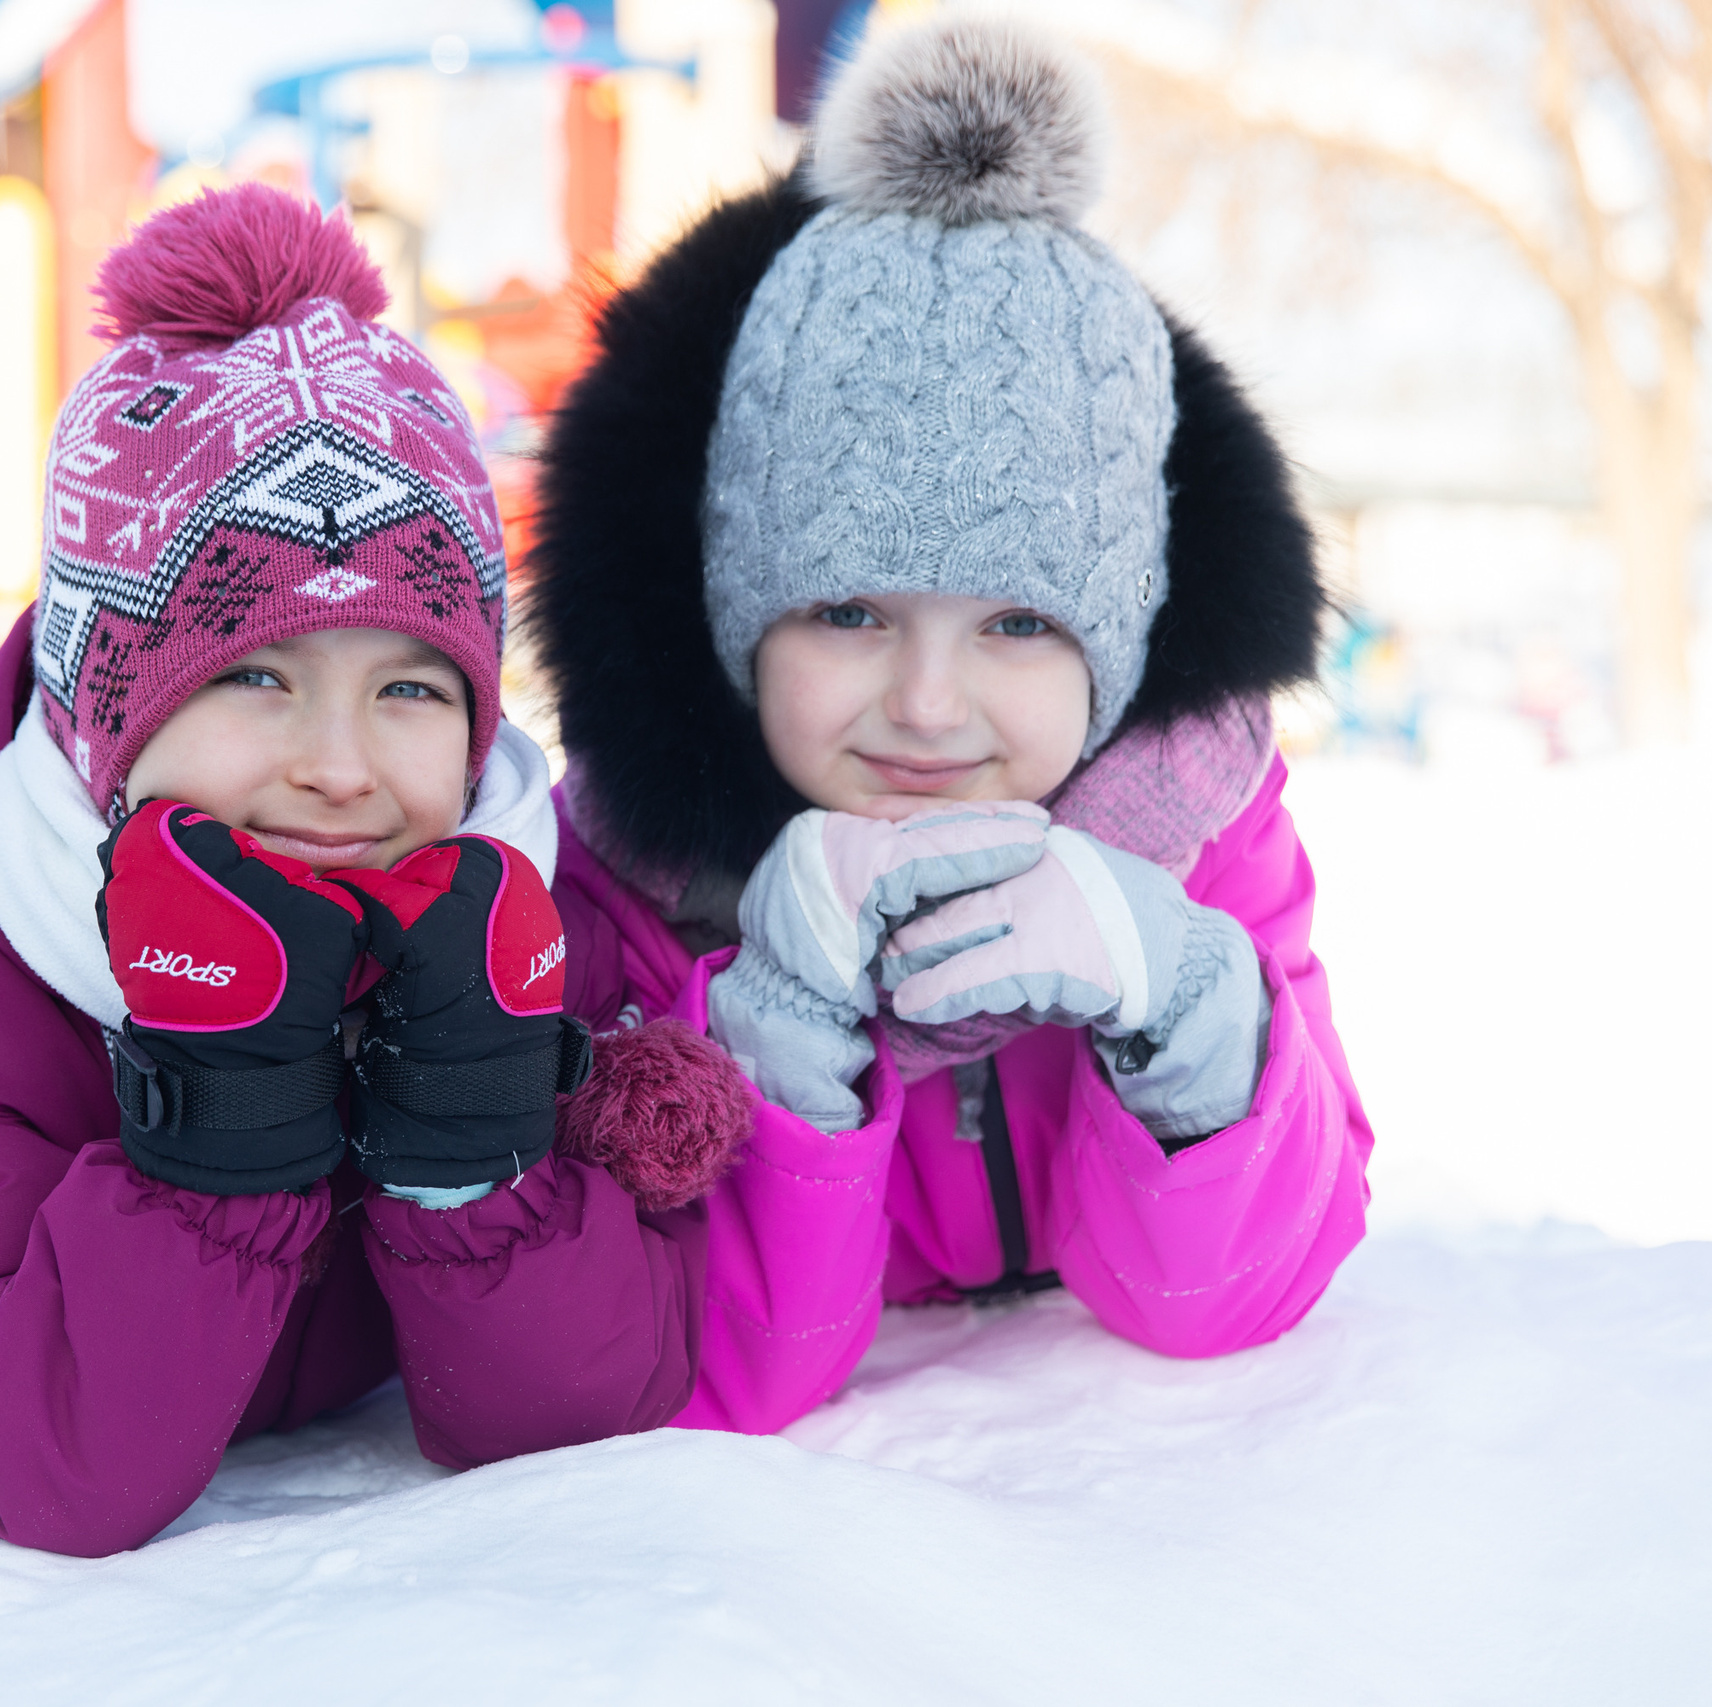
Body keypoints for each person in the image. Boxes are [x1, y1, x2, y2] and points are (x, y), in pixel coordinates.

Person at [0, 186, 707, 1558]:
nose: (340, 767)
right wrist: (217, 1132)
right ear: (102, 711)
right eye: (253, 674)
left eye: (410, 688)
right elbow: (36, 1462)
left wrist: (478, 1146)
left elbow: (582, 1412)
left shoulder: (511, 944)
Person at [525, 17, 1373, 1434]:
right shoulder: (627, 880)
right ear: (740, 618)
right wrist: (774, 1035)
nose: (927, 705)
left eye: (1020, 625)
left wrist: (1183, 1003)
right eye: (849, 614)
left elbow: (1226, 1297)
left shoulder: (1201, 827)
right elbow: (720, 1366)